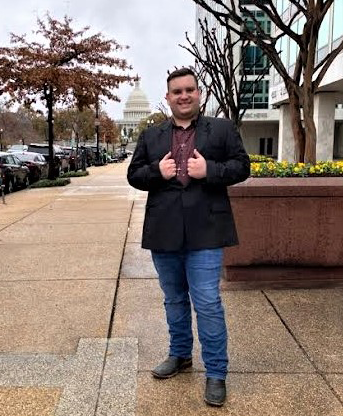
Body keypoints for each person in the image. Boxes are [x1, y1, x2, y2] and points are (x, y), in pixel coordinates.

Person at [127, 67, 250, 407]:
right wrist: (156, 171)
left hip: (206, 232)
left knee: (208, 304)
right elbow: (133, 174)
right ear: (167, 98)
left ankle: (216, 373)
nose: (183, 95)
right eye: (176, 91)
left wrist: (210, 170)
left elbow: (242, 166)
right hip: (164, 231)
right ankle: (180, 355)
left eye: (189, 90)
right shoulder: (151, 136)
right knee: (174, 299)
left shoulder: (222, 129)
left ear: (198, 94)